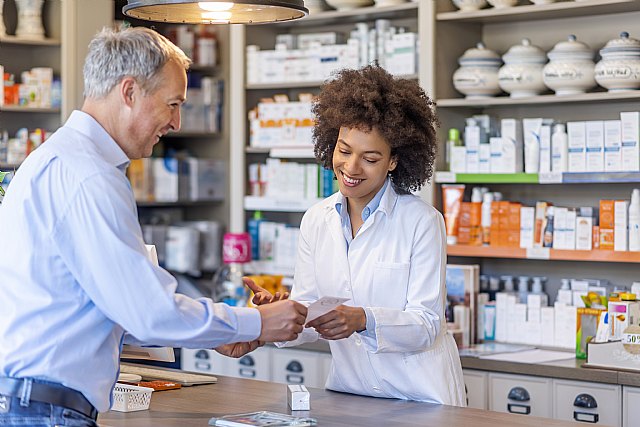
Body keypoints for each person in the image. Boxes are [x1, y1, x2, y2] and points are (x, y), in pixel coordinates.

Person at [0, 26, 307, 426]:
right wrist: (258, 321)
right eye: (172, 104)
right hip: (45, 410)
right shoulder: (89, 176)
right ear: (129, 92)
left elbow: (110, 308)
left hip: (29, 401)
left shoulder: (56, 159)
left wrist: (220, 333)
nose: (177, 122)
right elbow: (148, 310)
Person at [253, 65, 466, 406]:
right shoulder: (316, 220)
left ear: (394, 161)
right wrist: (284, 312)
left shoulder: (423, 221)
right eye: (344, 150)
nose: (351, 168)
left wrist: (362, 319)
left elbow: (427, 325)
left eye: (370, 158)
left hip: (419, 397)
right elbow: (311, 315)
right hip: (351, 393)